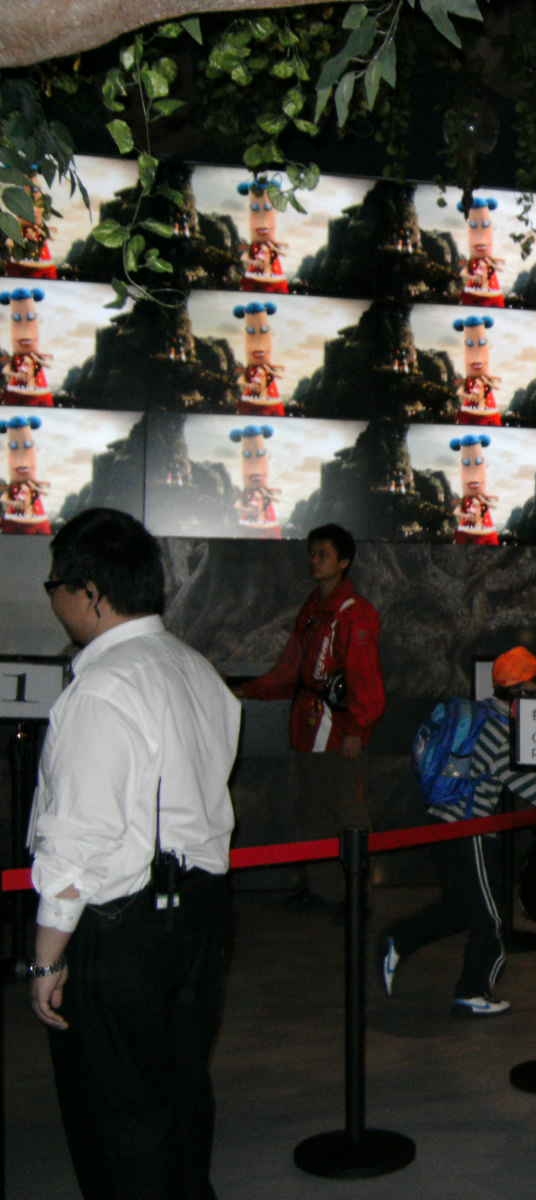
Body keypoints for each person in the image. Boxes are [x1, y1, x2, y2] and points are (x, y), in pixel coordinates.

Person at [26, 508, 240, 1198]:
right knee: (180, 1087)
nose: (53, 600)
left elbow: (79, 839)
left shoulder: (102, 688)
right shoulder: (195, 668)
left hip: (124, 925)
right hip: (202, 911)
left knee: (115, 1110)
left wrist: (46, 958)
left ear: (90, 592)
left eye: (56, 585)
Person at [381, 647, 536, 1017]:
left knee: (459, 909)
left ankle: (399, 939)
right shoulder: (499, 729)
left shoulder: (486, 714)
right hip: (468, 828)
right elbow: (519, 779)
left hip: (446, 823)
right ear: (521, 689)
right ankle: (472, 991)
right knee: (491, 918)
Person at [236, 524, 385, 908]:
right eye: (312, 554)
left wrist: (357, 729)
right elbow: (293, 667)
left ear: (344, 561)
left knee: (346, 810)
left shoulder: (356, 614)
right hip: (308, 725)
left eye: (323, 554)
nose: (314, 561)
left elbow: (365, 678)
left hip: (338, 729)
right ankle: (323, 889)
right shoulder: (313, 608)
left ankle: (356, 897)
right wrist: (253, 690)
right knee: (312, 809)